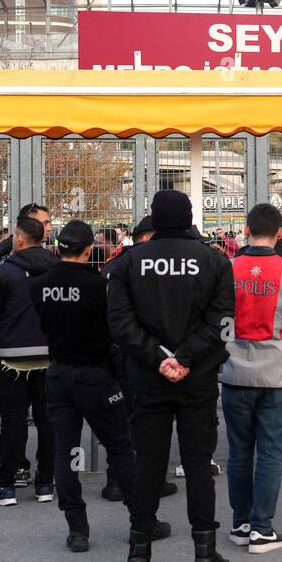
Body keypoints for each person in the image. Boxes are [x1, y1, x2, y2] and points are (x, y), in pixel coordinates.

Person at [107, 190, 235, 562]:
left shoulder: (128, 262)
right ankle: (204, 554)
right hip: (196, 379)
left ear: (154, 219)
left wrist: (158, 357)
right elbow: (224, 322)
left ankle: (138, 555)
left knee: (148, 463)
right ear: (190, 217)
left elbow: (120, 324)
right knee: (198, 465)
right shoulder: (215, 260)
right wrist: (186, 357)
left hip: (147, 378)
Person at [30, 220, 144, 553]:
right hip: (95, 375)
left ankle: (77, 529)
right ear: (88, 250)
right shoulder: (98, 286)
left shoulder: (39, 286)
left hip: (58, 373)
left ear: (57, 248)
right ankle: (141, 521)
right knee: (121, 447)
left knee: (64, 454)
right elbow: (114, 330)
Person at [218, 203, 282, 554]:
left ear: (245, 229)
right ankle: (262, 529)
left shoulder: (227, 269)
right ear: (281, 231)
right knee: (270, 452)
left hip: (234, 370)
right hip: (278, 373)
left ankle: (241, 523)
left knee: (239, 452)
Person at [0, 214, 56, 506]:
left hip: (10, 359)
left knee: (13, 423)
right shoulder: (56, 268)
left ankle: (7, 486)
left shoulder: (4, 272)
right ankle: (46, 483)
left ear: (19, 239)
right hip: (49, 358)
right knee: (48, 422)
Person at [102, 216, 177, 504]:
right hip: (143, 352)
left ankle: (118, 479)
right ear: (148, 237)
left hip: (117, 349)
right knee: (145, 421)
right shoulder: (147, 266)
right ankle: (145, 481)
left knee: (122, 418)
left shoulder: (114, 266)